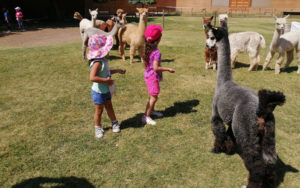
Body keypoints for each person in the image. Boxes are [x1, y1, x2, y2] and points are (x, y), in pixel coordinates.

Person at [88, 34, 126, 139]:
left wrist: (117, 71)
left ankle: (114, 123)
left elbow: (106, 72)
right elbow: (92, 77)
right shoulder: (97, 62)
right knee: (99, 111)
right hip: (98, 92)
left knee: (109, 107)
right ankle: (97, 127)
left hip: (106, 90)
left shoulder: (104, 60)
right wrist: (106, 81)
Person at [142, 25, 175, 125]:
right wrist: (168, 69)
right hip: (152, 77)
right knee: (154, 97)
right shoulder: (156, 52)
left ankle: (151, 111)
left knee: (153, 95)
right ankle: (146, 116)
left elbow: (147, 64)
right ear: (158, 40)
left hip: (148, 75)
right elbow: (156, 67)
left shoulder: (147, 49)